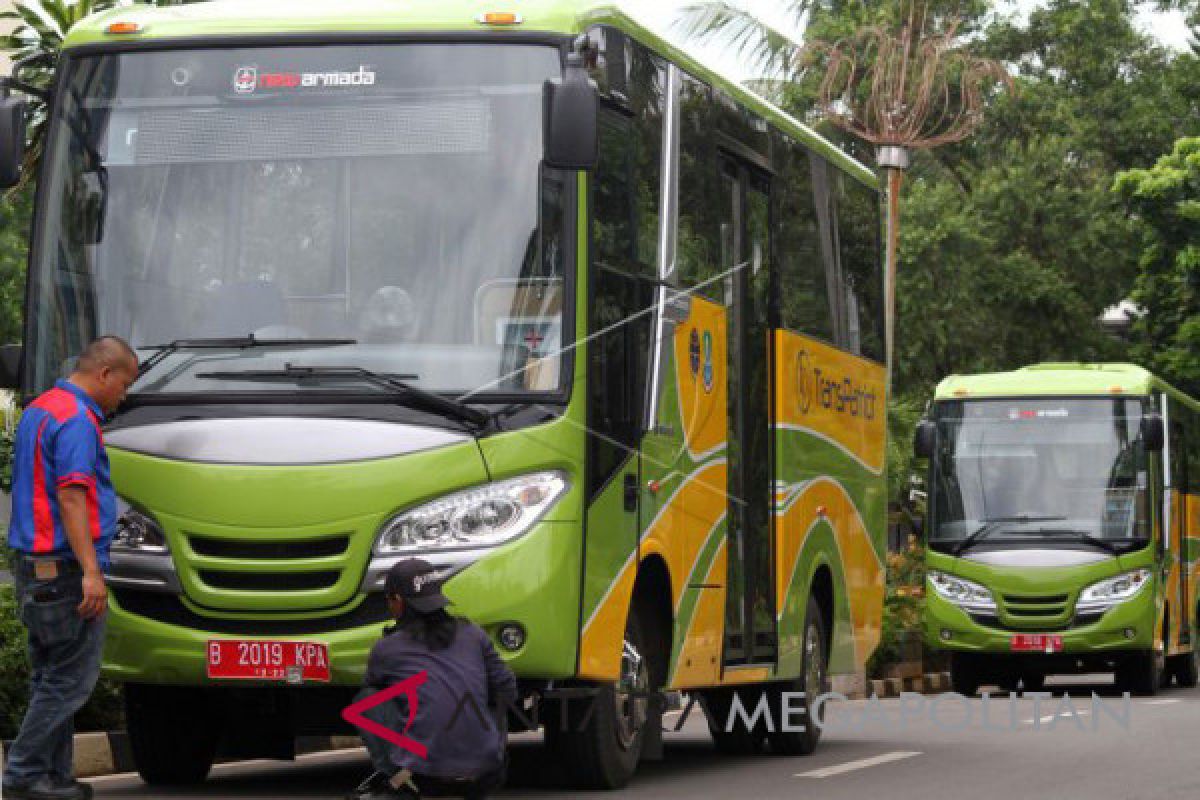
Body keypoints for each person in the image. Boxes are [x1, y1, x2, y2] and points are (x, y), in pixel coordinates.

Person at [2, 337, 139, 800]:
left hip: (35, 568)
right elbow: (72, 495)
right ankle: (23, 774)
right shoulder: (77, 420)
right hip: (65, 570)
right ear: (104, 374)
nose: (124, 395)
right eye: (124, 384)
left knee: (51, 675)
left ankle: (52, 778)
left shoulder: (41, 409)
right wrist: (91, 572)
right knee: (69, 681)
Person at [349, 559, 517, 800]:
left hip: (426, 779)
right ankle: (476, 761)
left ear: (397, 601)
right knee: (496, 691)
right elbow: (508, 689)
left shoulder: (387, 648)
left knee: (367, 700)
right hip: (487, 774)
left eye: (388, 600)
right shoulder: (472, 633)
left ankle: (399, 781)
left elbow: (373, 685)